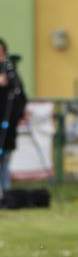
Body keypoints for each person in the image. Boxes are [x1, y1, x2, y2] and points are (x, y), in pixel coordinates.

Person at [0, 38, 29, 200]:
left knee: (6, 156)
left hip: (8, 121)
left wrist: (23, 110)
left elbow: (20, 93)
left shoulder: (11, 72)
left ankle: (6, 191)